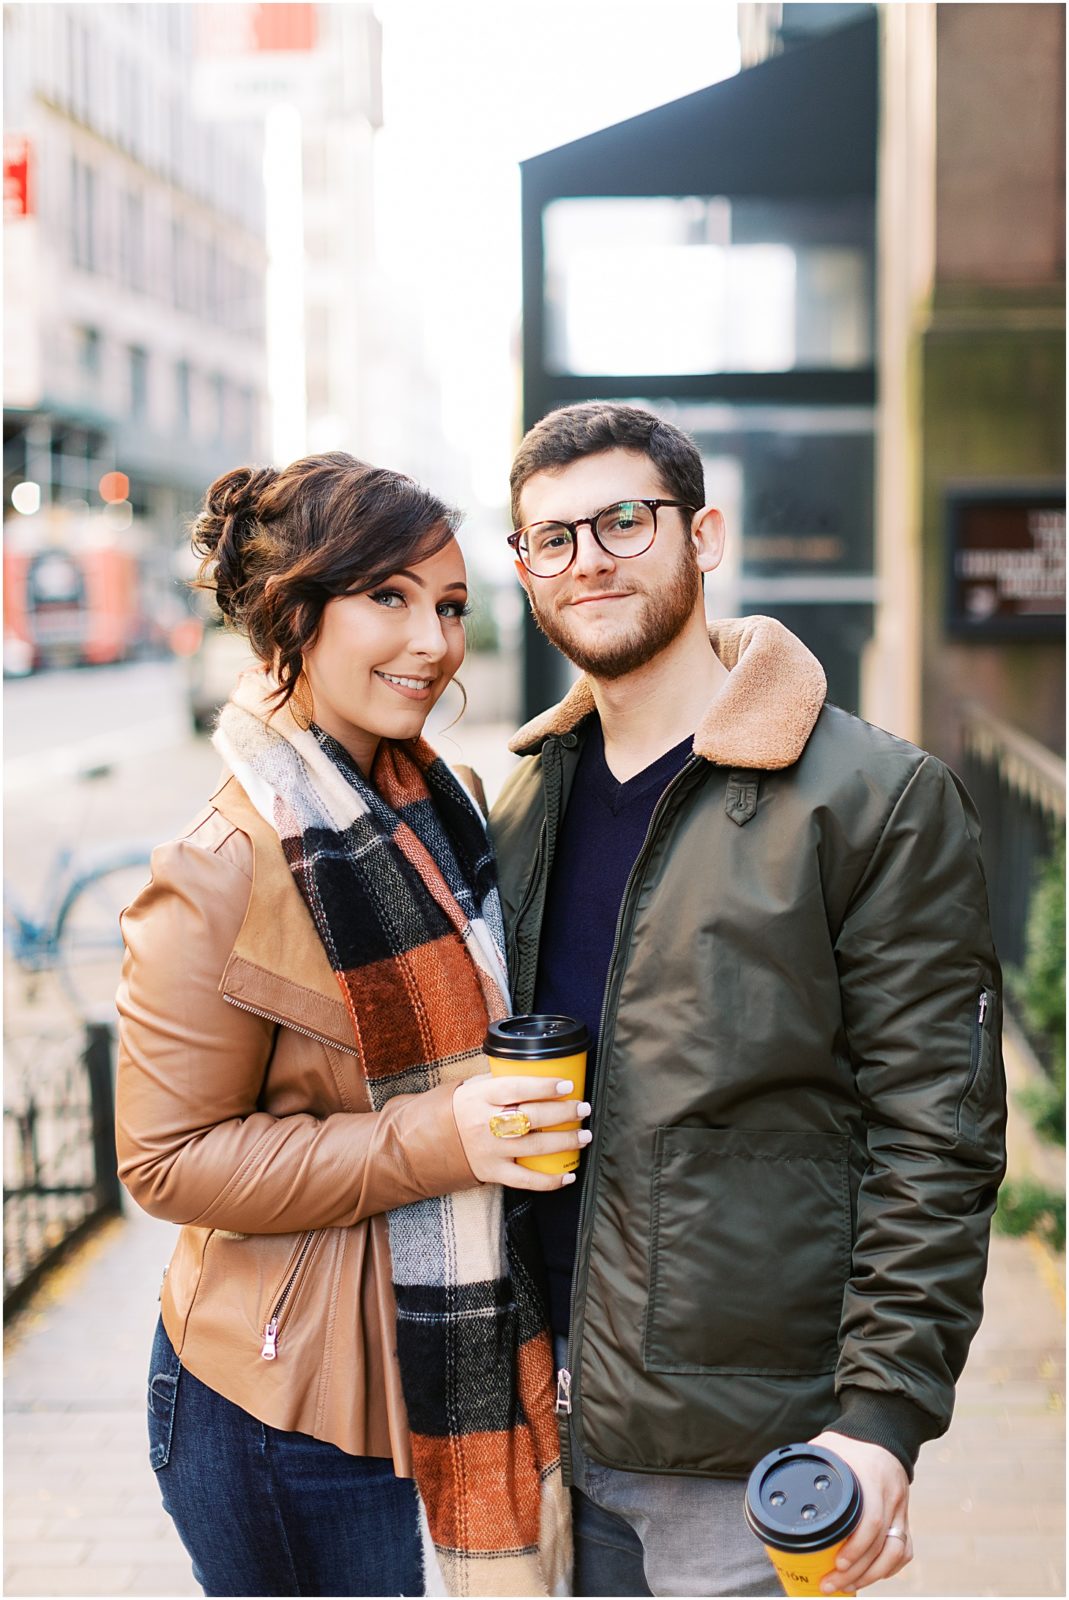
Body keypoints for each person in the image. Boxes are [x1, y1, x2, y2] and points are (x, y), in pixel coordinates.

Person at [489, 403, 1007, 1599]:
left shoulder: (874, 798)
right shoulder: (522, 804)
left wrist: (881, 1420)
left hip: (748, 1455)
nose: (589, 559)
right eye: (550, 539)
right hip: (537, 1423)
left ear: (703, 534)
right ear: (523, 570)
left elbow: (938, 1133)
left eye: (624, 519)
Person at [115, 452, 586, 1599]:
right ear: (296, 613)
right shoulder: (216, 867)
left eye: (451, 606)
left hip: (463, 1362)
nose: (431, 641)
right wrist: (445, 1139)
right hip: (283, 1418)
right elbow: (163, 1158)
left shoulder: (448, 808)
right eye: (389, 597)